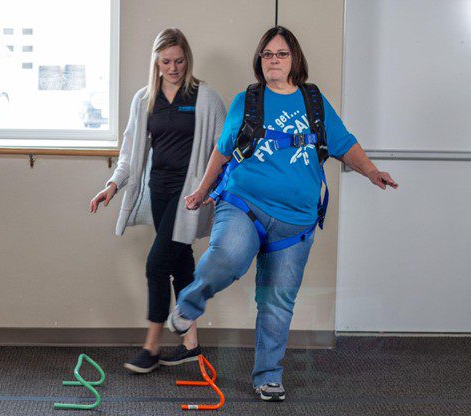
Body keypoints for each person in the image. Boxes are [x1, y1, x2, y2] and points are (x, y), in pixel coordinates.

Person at [167, 26, 398, 400]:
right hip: (245, 204)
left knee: (277, 302)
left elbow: (343, 143)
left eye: (281, 54)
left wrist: (372, 171)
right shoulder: (248, 99)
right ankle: (190, 304)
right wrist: (201, 190)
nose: (273, 60)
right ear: (260, 61)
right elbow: (223, 150)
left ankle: (268, 376)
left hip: (296, 223)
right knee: (227, 256)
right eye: (267, 54)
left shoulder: (314, 101)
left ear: (295, 60)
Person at [90, 28, 226, 374]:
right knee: (180, 263)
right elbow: (130, 151)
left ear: (187, 60)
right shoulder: (144, 100)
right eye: (166, 61)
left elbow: (222, 149)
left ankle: (151, 347)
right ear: (156, 61)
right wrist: (112, 186)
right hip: (159, 191)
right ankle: (192, 345)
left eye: (179, 60)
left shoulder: (204, 97)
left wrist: (210, 190)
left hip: (189, 196)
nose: (173, 67)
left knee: (156, 265)